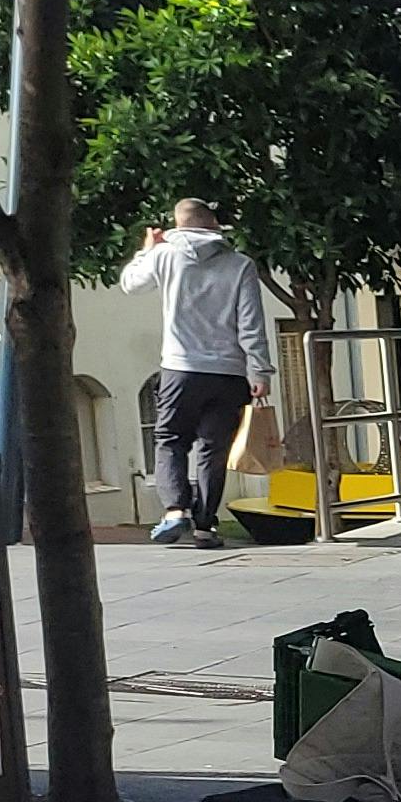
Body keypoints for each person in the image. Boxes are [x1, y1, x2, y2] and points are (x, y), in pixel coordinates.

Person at [120, 199, 274, 545]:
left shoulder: (164, 255)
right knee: (213, 448)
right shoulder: (240, 265)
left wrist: (147, 251)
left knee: (170, 440)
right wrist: (260, 372)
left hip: (181, 368)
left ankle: (175, 511)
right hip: (230, 373)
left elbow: (131, 283)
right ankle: (205, 526)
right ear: (214, 225)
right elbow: (251, 323)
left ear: (179, 225)